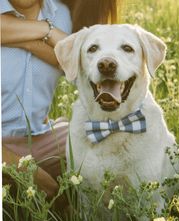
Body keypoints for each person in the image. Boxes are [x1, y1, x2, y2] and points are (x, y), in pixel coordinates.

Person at [1, 0, 120, 199]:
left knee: (108, 138)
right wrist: (29, 172)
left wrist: (30, 37)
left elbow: (83, 70)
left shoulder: (61, 15)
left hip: (37, 138)